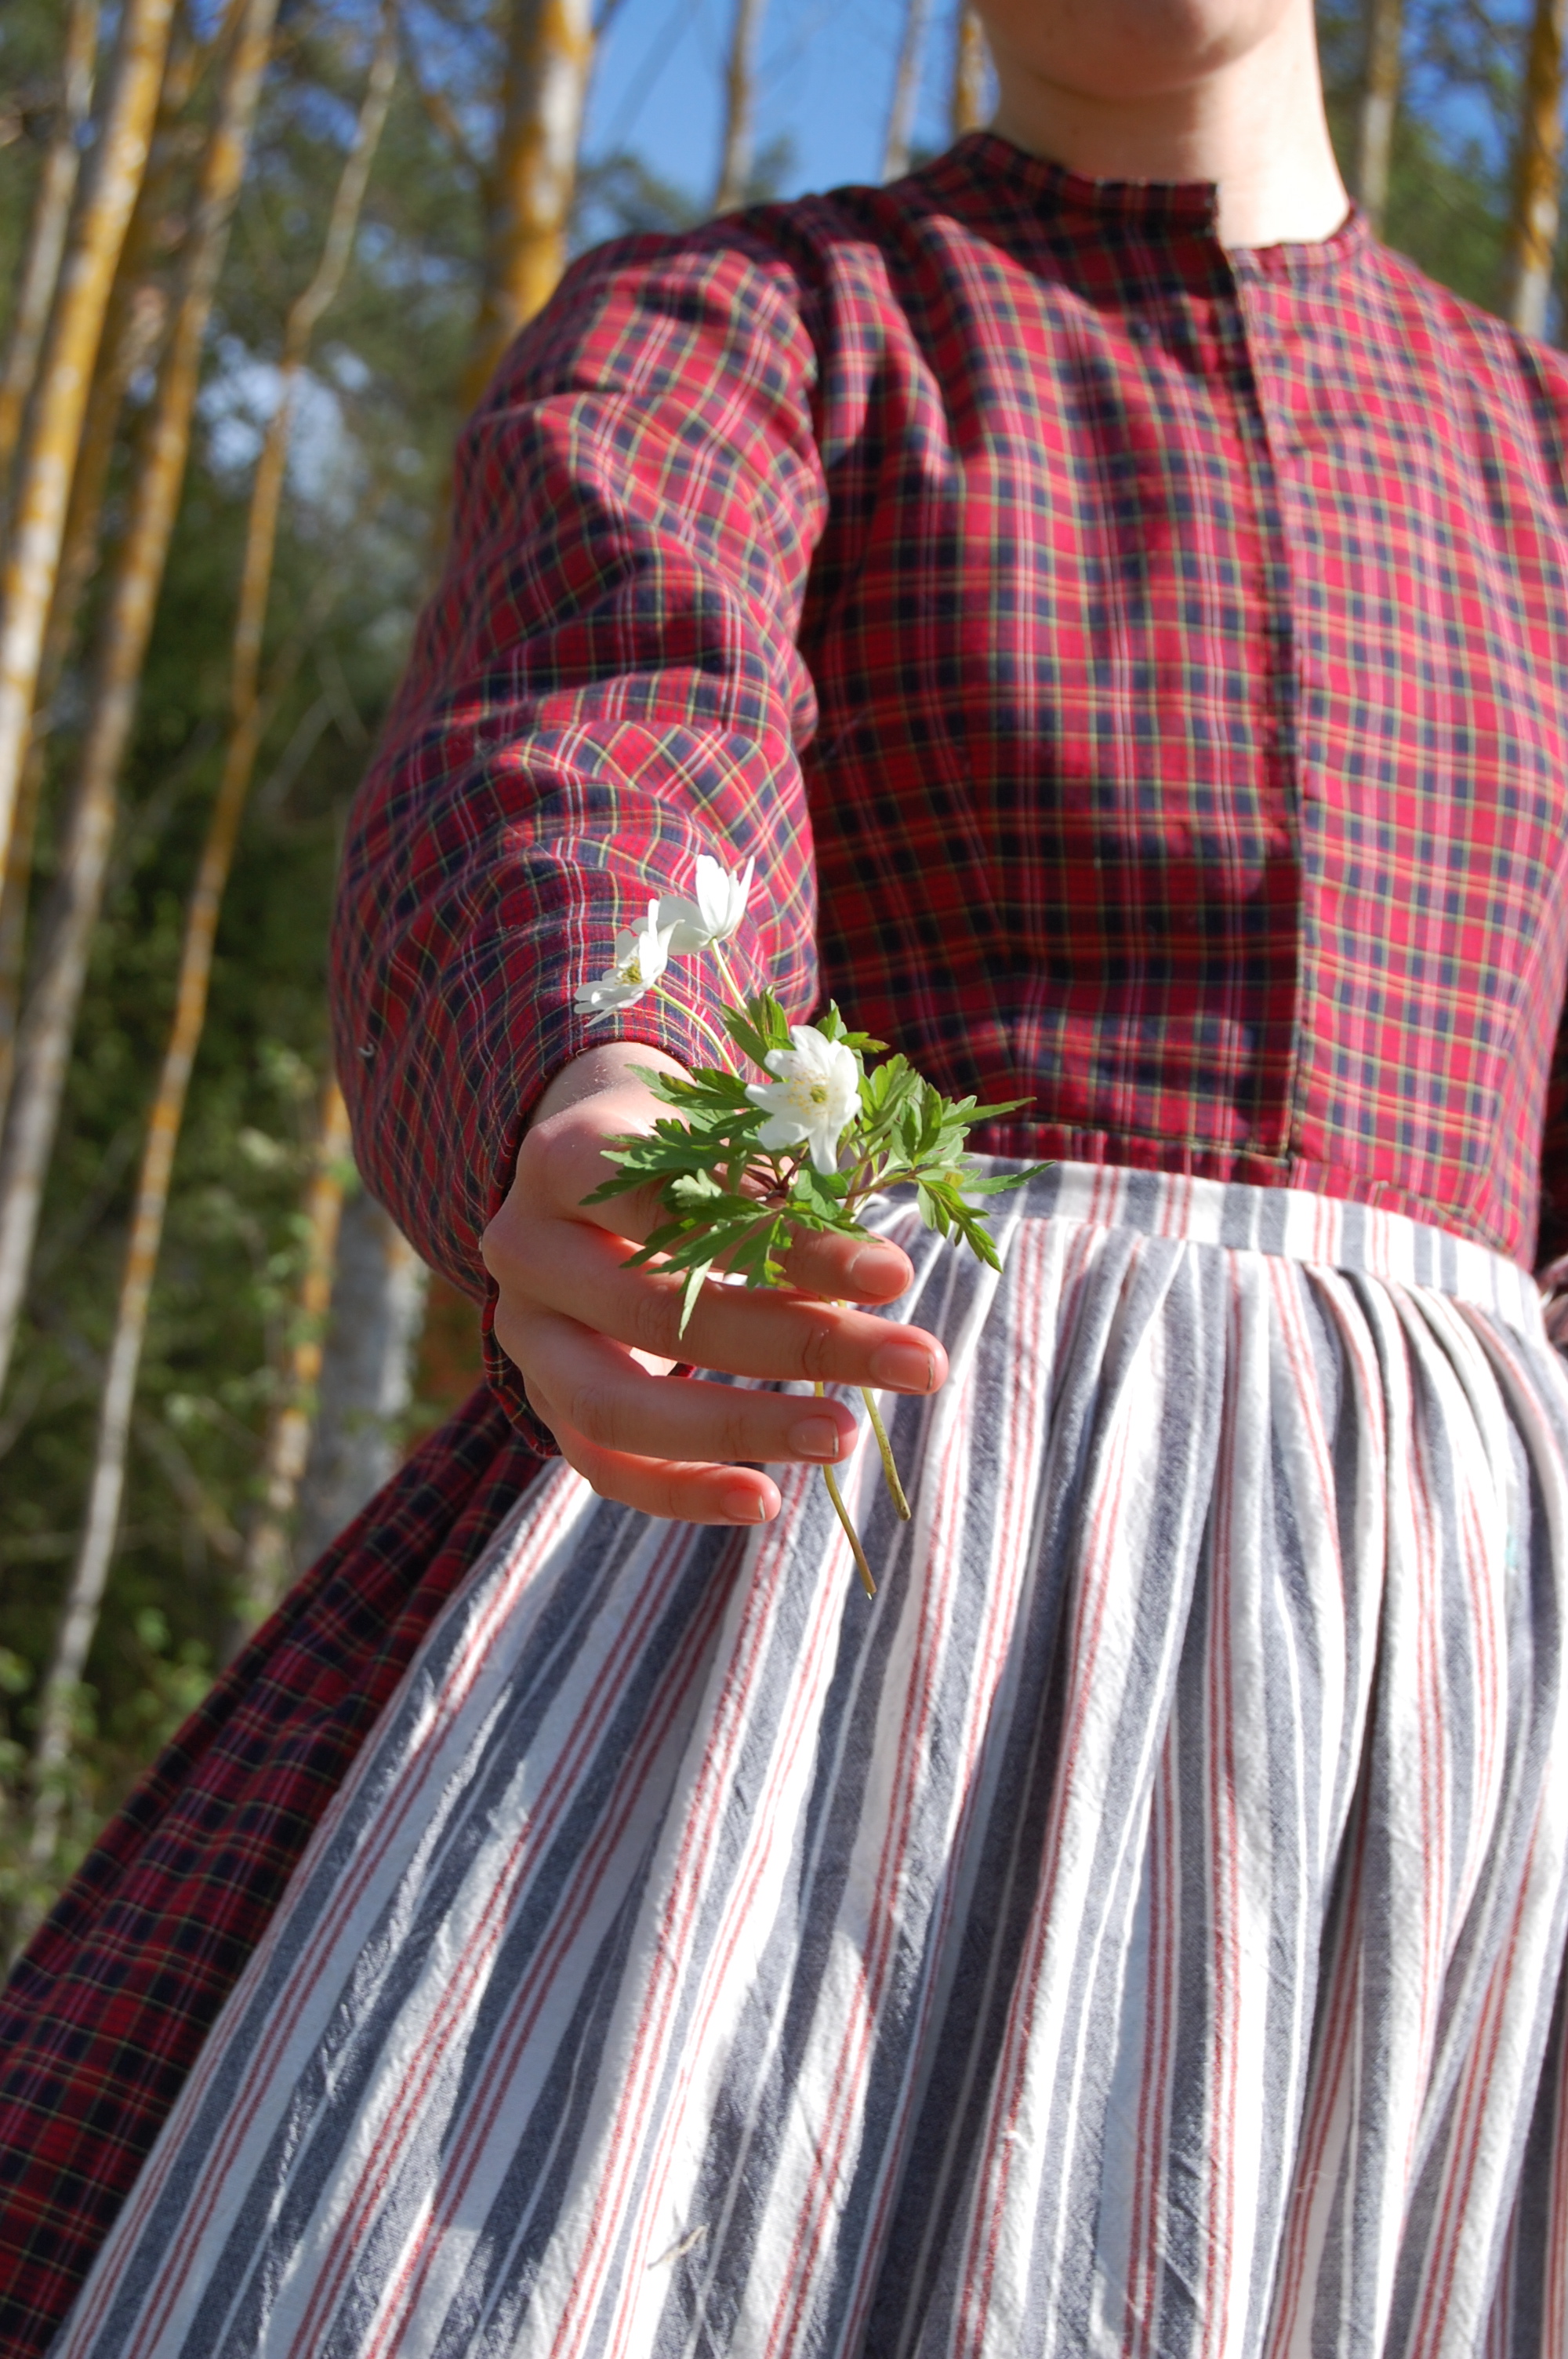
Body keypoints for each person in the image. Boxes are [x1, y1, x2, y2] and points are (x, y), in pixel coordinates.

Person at [7, 0, 1568, 2351]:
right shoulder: (752, 327)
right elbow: (608, 728)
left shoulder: (1545, 466)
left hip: (1443, 1739)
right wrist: (630, 1088)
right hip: (819, 1567)